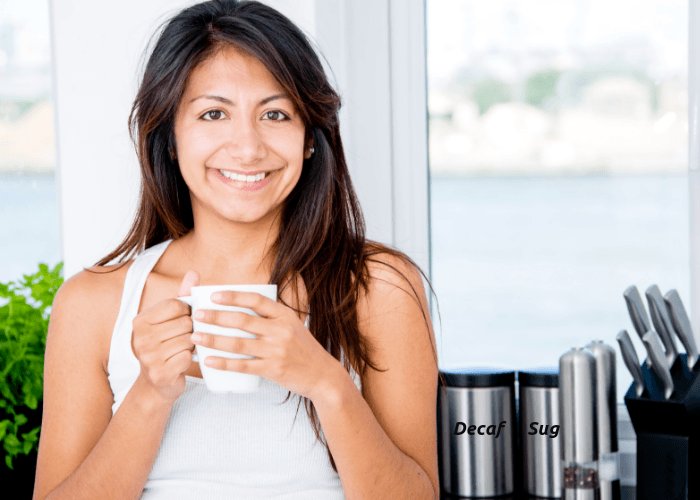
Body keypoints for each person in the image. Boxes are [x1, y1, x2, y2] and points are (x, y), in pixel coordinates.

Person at [33, 1, 444, 499]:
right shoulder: (91, 304)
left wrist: (325, 382)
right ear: (169, 136)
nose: (247, 147)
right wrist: (150, 394)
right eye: (213, 113)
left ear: (310, 138)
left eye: (274, 114)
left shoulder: (378, 288)